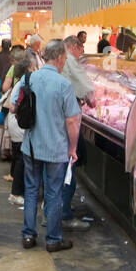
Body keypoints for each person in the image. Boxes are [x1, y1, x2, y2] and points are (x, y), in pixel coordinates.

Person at [21, 40, 81, 253]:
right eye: (64, 58)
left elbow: (14, 106)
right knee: (54, 193)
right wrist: (73, 148)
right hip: (56, 148)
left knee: (30, 190)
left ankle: (28, 235)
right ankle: (53, 240)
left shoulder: (28, 78)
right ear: (59, 58)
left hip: (31, 146)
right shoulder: (64, 85)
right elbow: (72, 121)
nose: (65, 62)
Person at [60, 36, 95, 231]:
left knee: (59, 171)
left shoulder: (61, 61)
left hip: (56, 125)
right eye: (81, 49)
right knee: (68, 167)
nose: (81, 53)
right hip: (67, 123)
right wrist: (93, 99)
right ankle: (64, 214)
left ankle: (58, 209)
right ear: (74, 46)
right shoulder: (69, 60)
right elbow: (87, 90)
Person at [1, 54, 32, 205]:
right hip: (18, 126)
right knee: (21, 160)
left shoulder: (20, 84)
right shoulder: (22, 85)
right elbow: (13, 107)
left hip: (15, 126)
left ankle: (17, 191)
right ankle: (16, 193)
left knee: (19, 158)